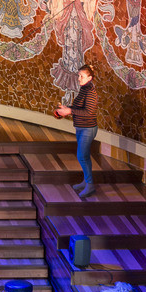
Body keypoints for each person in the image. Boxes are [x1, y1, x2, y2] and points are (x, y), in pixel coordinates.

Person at [57, 64, 99, 197]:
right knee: (83, 156)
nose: (79, 78)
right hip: (81, 127)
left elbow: (88, 112)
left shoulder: (90, 92)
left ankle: (90, 185)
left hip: (88, 128)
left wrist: (70, 110)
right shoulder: (84, 90)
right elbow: (78, 107)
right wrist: (66, 109)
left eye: (82, 76)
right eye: (78, 76)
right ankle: (86, 182)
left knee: (82, 156)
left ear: (90, 78)